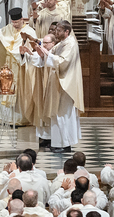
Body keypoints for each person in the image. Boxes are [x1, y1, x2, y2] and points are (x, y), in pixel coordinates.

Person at [34, 21, 83, 152]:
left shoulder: (71, 44)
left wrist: (47, 53)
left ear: (66, 32)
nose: (56, 32)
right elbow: (50, 55)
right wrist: (42, 51)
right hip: (59, 84)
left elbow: (62, 62)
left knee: (63, 114)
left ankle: (65, 144)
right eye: (56, 30)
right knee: (57, 113)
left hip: (66, 85)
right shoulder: (62, 43)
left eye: (59, 30)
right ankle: (57, 143)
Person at [0, 8, 38, 125]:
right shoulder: (8, 28)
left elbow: (31, 49)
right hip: (8, 65)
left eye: (17, 22)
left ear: (22, 20)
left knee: (19, 90)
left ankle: (20, 119)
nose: (15, 25)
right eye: (13, 22)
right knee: (6, 89)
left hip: (22, 66)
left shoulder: (29, 31)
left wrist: (20, 53)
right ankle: (6, 118)